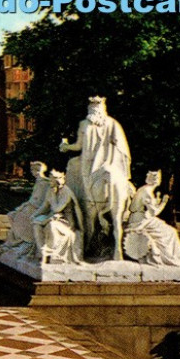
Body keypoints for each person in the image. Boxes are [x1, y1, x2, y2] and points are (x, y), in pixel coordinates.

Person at [59, 95, 133, 260]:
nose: (93, 109)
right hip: (99, 165)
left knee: (89, 206)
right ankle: (113, 250)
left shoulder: (89, 124)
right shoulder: (109, 124)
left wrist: (65, 147)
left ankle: (88, 245)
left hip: (90, 169)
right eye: (92, 106)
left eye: (95, 106)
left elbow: (79, 146)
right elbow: (121, 148)